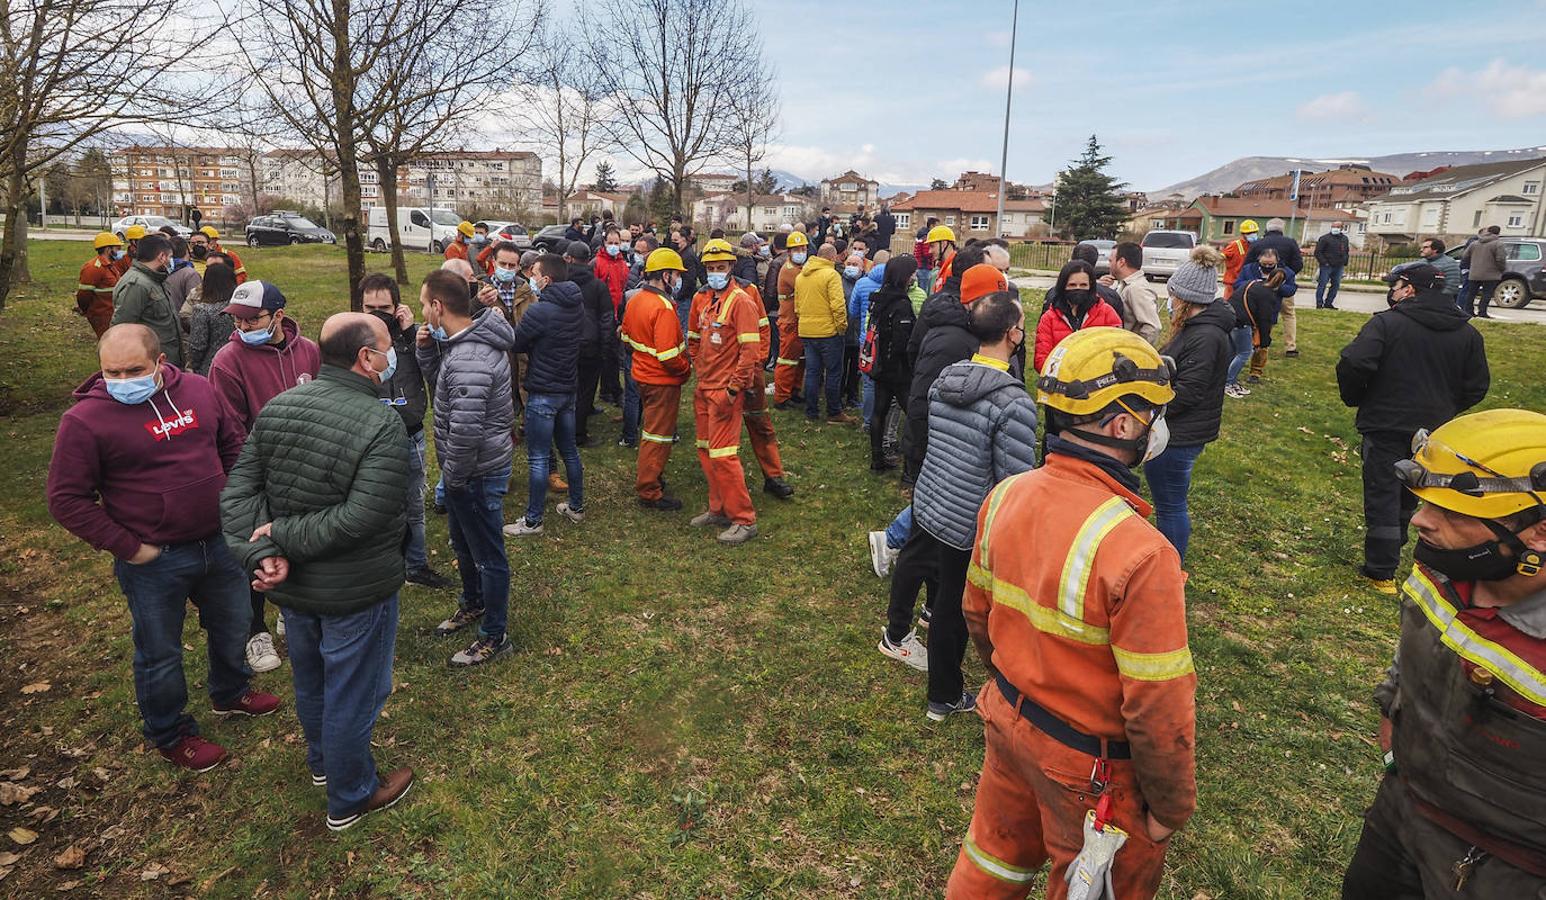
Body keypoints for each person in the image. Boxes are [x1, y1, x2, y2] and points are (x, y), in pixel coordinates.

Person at [948, 326, 1194, 898]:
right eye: (1153, 413)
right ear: (1123, 424)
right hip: (1092, 769)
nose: (1158, 426)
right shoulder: (1142, 552)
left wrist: (1015, 686)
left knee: (995, 857)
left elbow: (977, 615)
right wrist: (1169, 809)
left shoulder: (1006, 495)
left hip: (1009, 719)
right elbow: (1160, 704)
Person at [47, 324, 280, 773]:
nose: (121, 380)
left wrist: (235, 507)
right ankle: (170, 732)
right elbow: (65, 499)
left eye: (133, 369)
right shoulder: (85, 421)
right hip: (155, 559)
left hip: (219, 541)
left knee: (234, 626)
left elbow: (232, 446)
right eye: (111, 372)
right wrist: (128, 548)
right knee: (159, 651)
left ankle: (231, 692)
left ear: (159, 363)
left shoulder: (197, 390)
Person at [1340, 409, 1546, 898]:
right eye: (1425, 503)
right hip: (1403, 812)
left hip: (1510, 870)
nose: (1421, 522)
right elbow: (1414, 638)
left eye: (1454, 512)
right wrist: (1393, 708)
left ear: (1539, 532)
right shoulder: (1445, 569)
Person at [220, 312, 413, 831]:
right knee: (355, 689)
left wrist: (264, 551)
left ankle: (325, 765)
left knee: (313, 680)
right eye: (386, 347)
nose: (390, 355)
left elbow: (240, 493)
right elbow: (363, 516)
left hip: (298, 588)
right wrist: (273, 543)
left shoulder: (279, 408)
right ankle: (352, 793)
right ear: (364, 358)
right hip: (356, 589)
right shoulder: (381, 422)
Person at [880, 292, 1038, 721]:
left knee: (923, 574)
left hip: (932, 498)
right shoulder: (1013, 403)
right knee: (953, 606)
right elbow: (1013, 482)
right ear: (1013, 334)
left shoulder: (947, 377)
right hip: (969, 519)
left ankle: (896, 633)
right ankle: (944, 695)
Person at [1335, 263, 1490, 594]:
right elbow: (1475, 386)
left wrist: (1359, 398)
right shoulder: (1468, 334)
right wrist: (1444, 409)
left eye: (1399, 284)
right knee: (1412, 491)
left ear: (1411, 290)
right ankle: (1394, 550)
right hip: (1431, 431)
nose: (1394, 290)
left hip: (1386, 424)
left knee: (1382, 494)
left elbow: (1354, 362)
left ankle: (1381, 569)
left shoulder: (1387, 324)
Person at [206, 279, 322, 671]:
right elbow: (230, 427)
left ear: (278, 316)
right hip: (259, 474)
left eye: (252, 321)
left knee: (299, 543)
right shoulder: (227, 360)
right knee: (257, 551)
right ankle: (255, 631)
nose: (243, 329)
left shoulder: (308, 352)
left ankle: (291, 609)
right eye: (237, 322)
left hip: (308, 471)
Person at [414, 270, 519, 667]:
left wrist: (453, 479)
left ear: (438, 307)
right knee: (463, 544)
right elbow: (445, 386)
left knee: (488, 554)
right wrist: (426, 351)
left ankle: (495, 634)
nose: (424, 312)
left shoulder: (470, 357)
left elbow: (466, 431)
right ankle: (473, 603)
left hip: (473, 472)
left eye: (425, 305)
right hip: (463, 471)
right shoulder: (463, 345)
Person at [359, 274, 452, 590]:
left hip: (408, 432)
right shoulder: (350, 338)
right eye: (369, 307)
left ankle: (415, 565)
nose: (376, 314)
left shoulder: (411, 337)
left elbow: (436, 375)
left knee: (413, 504)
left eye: (383, 307)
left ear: (397, 307)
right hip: (366, 437)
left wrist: (411, 333)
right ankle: (377, 567)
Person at [1146, 245, 1232, 561]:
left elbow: (1189, 390)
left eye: (1173, 294)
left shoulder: (1205, 336)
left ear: (1185, 299)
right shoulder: (1196, 329)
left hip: (1180, 435)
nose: (1170, 301)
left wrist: (1152, 404)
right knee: (1170, 501)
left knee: (1170, 504)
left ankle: (1169, 567)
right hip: (1179, 430)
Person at [684, 239, 766, 545]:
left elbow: (750, 352)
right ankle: (718, 507)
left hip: (723, 393)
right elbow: (694, 338)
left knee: (723, 455)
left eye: (720, 267)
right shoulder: (703, 299)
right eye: (710, 268)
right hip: (704, 389)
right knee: (706, 451)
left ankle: (744, 519)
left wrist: (732, 390)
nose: (715, 272)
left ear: (731, 267)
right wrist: (699, 367)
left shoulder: (741, 301)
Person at [504, 254, 586, 536]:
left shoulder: (540, 311)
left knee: (538, 458)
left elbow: (516, 342)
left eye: (534, 273)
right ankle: (576, 506)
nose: (531, 278)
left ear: (546, 279)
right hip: (568, 390)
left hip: (542, 393)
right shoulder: (576, 305)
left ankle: (533, 520)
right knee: (570, 451)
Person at [621, 248, 691, 510]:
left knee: (651, 432)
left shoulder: (636, 300)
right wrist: (685, 370)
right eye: (675, 274)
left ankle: (651, 476)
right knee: (658, 436)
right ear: (665, 275)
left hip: (642, 376)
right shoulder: (663, 307)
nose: (678, 279)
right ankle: (650, 489)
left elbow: (626, 339)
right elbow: (669, 355)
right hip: (662, 381)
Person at [564, 241, 616, 447]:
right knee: (585, 391)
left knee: (567, 390)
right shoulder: (598, 286)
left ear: (569, 258)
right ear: (588, 260)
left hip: (564, 344)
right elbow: (606, 320)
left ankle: (563, 429)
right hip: (589, 347)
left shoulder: (561, 282)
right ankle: (578, 434)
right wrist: (605, 349)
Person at [796, 243, 853, 424]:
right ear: (832, 257)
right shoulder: (831, 275)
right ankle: (834, 412)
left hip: (807, 330)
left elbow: (797, 306)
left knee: (812, 372)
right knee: (834, 372)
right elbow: (838, 305)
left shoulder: (801, 276)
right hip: (828, 332)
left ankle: (811, 412)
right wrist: (842, 327)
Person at [1033, 260, 1122, 373]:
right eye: (1072, 285)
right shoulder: (1049, 318)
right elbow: (1041, 360)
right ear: (1063, 286)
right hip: (1061, 382)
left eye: (1083, 285)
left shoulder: (1107, 313)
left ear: (1091, 286)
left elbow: (1119, 350)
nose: (1078, 288)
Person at [111, 233, 186, 369]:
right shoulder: (136, 285)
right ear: (162, 257)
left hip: (167, 359)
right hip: (151, 363)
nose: (171, 261)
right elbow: (121, 329)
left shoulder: (157, 280)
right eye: (170, 257)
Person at [1246, 218, 1303, 356]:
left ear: (1267, 229)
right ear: (1282, 229)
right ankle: (1290, 346)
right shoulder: (1290, 243)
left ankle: (1256, 342)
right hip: (1282, 284)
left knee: (1257, 315)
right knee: (1288, 314)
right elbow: (1298, 264)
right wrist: (1286, 275)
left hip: (1260, 285)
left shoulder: (1258, 243)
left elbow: (1247, 263)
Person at [850, 252, 889, 430]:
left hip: (867, 339)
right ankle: (885, 421)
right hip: (888, 337)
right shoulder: (894, 284)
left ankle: (868, 421)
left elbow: (853, 310)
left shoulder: (862, 283)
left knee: (868, 382)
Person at [1225, 278, 1282, 399]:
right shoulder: (1267, 294)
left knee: (1232, 352)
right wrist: (1265, 340)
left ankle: (1228, 381)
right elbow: (1265, 319)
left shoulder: (1252, 283)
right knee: (1244, 353)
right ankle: (1228, 383)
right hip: (1242, 323)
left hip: (1229, 317)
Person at [772, 231, 808, 408]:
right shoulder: (789, 271)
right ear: (789, 251)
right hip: (789, 320)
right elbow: (806, 285)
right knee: (787, 359)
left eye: (803, 248)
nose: (801, 252)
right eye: (797, 249)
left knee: (799, 359)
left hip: (798, 320)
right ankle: (781, 397)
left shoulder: (799, 269)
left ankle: (794, 390)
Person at [594, 227, 630, 404]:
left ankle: (608, 389)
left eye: (617, 243)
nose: (614, 246)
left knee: (613, 354)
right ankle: (611, 390)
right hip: (601, 314)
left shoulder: (622, 264)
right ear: (604, 243)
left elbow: (622, 290)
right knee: (606, 355)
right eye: (611, 243)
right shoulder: (597, 263)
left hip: (616, 314)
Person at [186, 262, 238, 376]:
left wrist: (194, 365)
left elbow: (197, 345)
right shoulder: (239, 308)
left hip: (212, 368)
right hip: (238, 365)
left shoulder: (202, 310)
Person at [1106, 241, 1160, 345]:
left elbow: (1152, 328)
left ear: (1121, 262)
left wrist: (1135, 353)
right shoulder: (1125, 285)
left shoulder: (1137, 289)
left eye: (1110, 261)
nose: (1109, 265)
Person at [77, 232, 125, 337]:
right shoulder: (93, 268)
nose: (119, 251)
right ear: (108, 250)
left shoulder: (110, 265)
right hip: (102, 316)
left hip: (112, 314)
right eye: (117, 248)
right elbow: (83, 295)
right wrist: (89, 311)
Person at [1462, 225, 1508, 319]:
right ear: (1498, 233)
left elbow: (1465, 256)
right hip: (1491, 273)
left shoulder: (1474, 243)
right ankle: (1482, 312)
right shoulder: (1498, 244)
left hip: (1474, 272)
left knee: (1471, 293)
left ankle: (1468, 311)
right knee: (1487, 293)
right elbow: (1500, 259)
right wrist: (1501, 269)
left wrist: (1472, 265)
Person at [1314, 220, 1350, 309]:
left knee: (1336, 285)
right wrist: (1324, 262)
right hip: (1327, 266)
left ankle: (1329, 303)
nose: (1335, 229)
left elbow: (1346, 251)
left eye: (1337, 227)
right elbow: (1318, 252)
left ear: (1341, 228)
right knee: (1322, 284)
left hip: (1339, 266)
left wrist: (1345, 261)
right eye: (1334, 226)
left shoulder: (1344, 239)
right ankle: (1319, 303)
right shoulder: (1325, 238)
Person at [1220, 218, 1260, 300]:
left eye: (1254, 232)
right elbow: (1221, 257)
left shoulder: (1257, 245)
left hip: (1248, 281)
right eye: (1249, 233)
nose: (1252, 235)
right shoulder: (1235, 245)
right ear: (1243, 234)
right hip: (1233, 282)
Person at [164, 236, 201, 313]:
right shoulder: (190, 274)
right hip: (182, 321)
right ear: (187, 251)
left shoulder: (162, 270)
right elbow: (195, 304)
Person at [925, 225, 958, 294]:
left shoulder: (954, 268)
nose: (929, 251)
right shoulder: (944, 267)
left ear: (943, 244)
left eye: (932, 246)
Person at [913, 218, 939, 297]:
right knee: (923, 291)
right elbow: (926, 253)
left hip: (920, 265)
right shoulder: (926, 237)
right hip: (924, 267)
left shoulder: (921, 235)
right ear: (931, 225)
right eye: (936, 226)